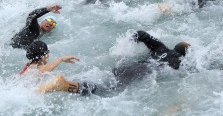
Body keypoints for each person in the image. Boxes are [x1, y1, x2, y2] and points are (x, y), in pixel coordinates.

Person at [37, 30, 190, 95]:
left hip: (126, 66)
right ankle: (65, 85)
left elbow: (141, 34)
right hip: (138, 72)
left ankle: (68, 83)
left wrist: (125, 45)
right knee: (105, 89)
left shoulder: (160, 47)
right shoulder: (177, 61)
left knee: (103, 78)